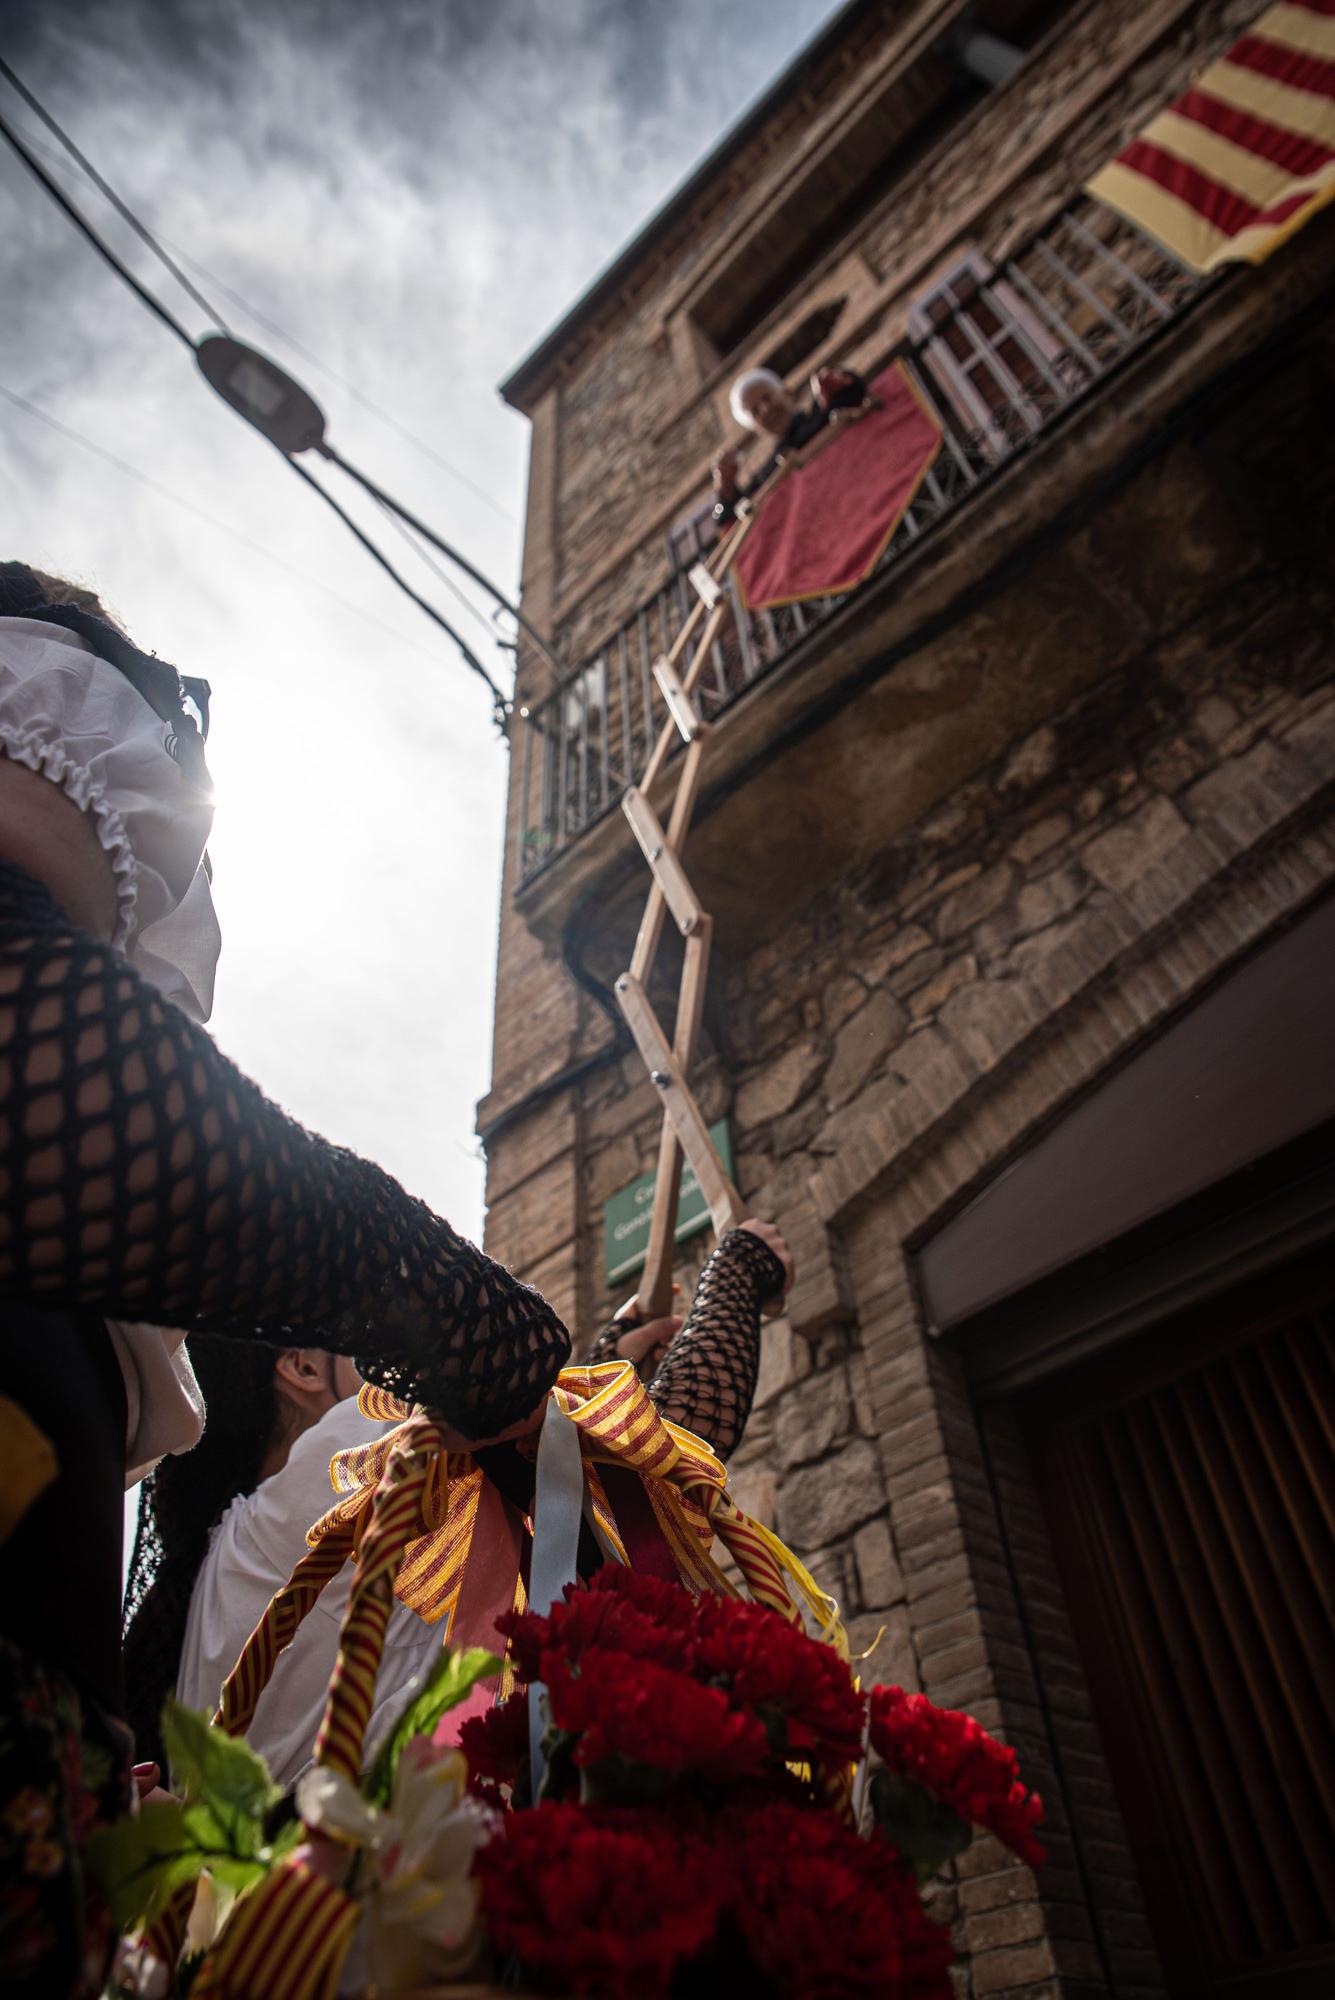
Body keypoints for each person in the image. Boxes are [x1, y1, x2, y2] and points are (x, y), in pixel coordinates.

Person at [0, 561, 791, 1996]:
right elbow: (637, 1474)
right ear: (302, 1368)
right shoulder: (336, 1496)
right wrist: (722, 1283)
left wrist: (580, 1376)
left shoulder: (177, 1601)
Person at [131, 1227, 790, 1787]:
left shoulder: (238, 1547)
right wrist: (736, 1273)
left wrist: (604, 1362)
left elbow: (536, 1481)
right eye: (351, 1344)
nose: (382, 1367)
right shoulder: (341, 1457)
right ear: (301, 1368)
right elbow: (655, 1455)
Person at [712, 362, 868, 527]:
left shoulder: (824, 409)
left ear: (787, 392)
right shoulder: (767, 475)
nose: (765, 410)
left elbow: (854, 394)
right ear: (755, 428)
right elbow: (735, 521)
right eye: (755, 411)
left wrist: (840, 381)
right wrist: (725, 492)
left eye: (766, 397)